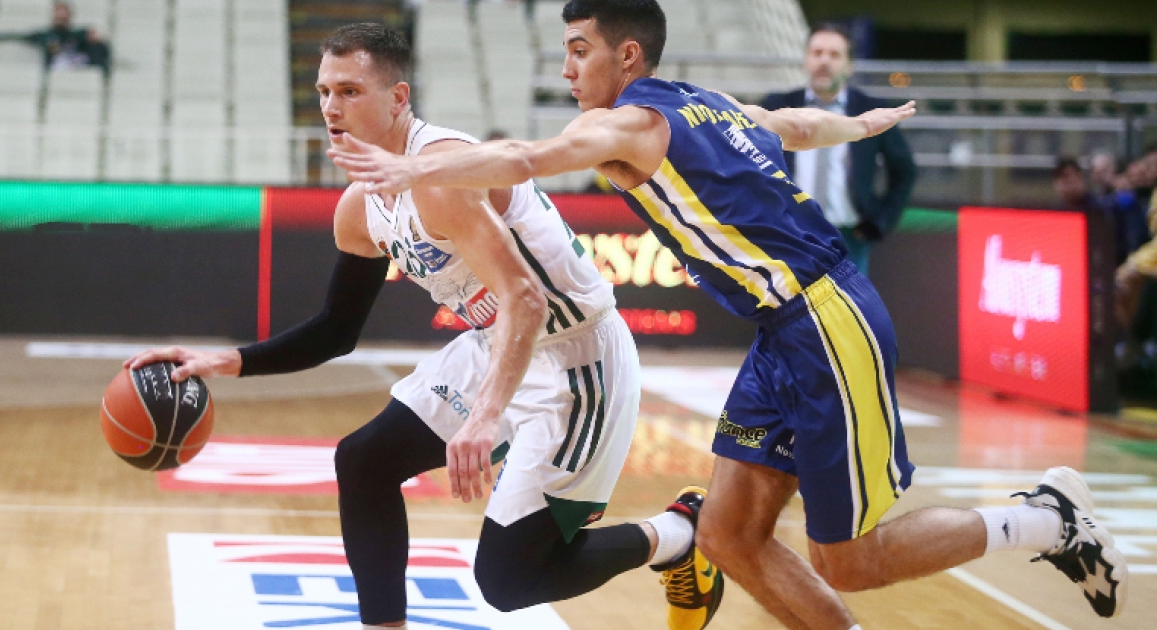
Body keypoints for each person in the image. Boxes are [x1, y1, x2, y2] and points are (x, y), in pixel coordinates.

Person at [327, 1, 1129, 626]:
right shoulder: (704, 104)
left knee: (846, 559)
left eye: (580, 50)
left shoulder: (627, 122)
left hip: (826, 319)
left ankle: (1045, 519)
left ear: (627, 56)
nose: (567, 69)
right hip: (781, 333)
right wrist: (857, 126)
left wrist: (412, 169)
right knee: (726, 537)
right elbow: (793, 126)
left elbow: (524, 158)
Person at [124, 23, 714, 630]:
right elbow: (336, 329)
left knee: (507, 582)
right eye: (324, 91)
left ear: (398, 99)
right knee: (364, 461)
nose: (330, 107)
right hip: (500, 343)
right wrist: (228, 361)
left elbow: (527, 299)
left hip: (576, 361)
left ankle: (679, 534)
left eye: (350, 91)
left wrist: (483, 418)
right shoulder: (360, 207)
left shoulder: (440, 173)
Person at [759, 23, 916, 277]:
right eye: (817, 53)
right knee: (783, 302)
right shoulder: (777, 105)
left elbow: (904, 170)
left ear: (850, 65)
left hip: (848, 236)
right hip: (788, 232)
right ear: (806, 59)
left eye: (834, 55)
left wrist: (880, 221)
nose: (824, 61)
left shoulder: (871, 110)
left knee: (847, 303)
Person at [0, 2, 110, 73]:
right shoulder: (45, 35)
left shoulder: (80, 34)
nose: (60, 18)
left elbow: (100, 50)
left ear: (70, 16)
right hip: (54, 72)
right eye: (58, 14)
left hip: (77, 70)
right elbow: (18, 36)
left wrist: (97, 41)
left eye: (63, 15)